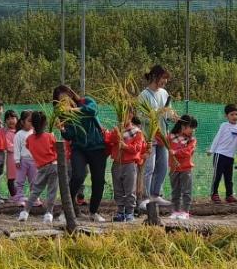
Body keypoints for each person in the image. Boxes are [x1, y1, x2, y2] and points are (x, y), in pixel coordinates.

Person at [54, 84, 107, 223]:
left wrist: (73, 111)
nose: (64, 102)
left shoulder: (85, 102)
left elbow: (92, 110)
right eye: (60, 101)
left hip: (97, 147)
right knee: (77, 176)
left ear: (71, 95)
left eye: (65, 98)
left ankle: (93, 212)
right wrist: (63, 129)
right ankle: (66, 211)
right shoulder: (64, 115)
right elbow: (70, 136)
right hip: (79, 148)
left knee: (99, 180)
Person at [138, 65, 174, 208]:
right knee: (149, 167)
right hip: (149, 136)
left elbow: (169, 112)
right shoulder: (143, 95)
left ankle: (156, 194)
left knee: (163, 166)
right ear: (154, 77)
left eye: (166, 78)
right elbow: (140, 117)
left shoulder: (164, 93)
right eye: (163, 78)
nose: (165, 81)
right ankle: (145, 197)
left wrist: (172, 116)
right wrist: (157, 113)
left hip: (162, 135)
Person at [17, 111, 59, 224]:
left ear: (32, 124)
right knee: (52, 191)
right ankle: (49, 214)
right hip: (53, 166)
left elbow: (28, 146)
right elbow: (56, 149)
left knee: (35, 191)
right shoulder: (50, 136)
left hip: (40, 168)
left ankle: (25, 212)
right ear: (45, 124)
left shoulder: (29, 139)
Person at [105, 114, 145, 222]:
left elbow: (138, 148)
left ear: (131, 116)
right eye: (120, 115)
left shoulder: (137, 132)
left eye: (125, 115)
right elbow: (109, 140)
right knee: (118, 189)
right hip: (117, 163)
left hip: (130, 164)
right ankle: (120, 212)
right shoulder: (117, 129)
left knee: (129, 190)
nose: (122, 118)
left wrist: (125, 146)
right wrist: (118, 132)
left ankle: (129, 213)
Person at [208, 103, 237, 204]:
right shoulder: (224, 125)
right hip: (219, 154)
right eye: (232, 114)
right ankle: (214, 193)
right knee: (217, 175)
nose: (234, 117)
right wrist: (212, 150)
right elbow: (217, 137)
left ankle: (229, 195)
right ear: (226, 116)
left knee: (229, 177)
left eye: (236, 114)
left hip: (230, 156)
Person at [168, 115, 198, 219]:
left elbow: (188, 152)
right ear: (183, 126)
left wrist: (175, 152)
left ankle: (185, 211)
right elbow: (160, 139)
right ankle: (175, 211)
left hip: (186, 169)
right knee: (175, 191)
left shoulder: (192, 140)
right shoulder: (170, 136)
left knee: (186, 191)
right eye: (191, 127)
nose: (192, 131)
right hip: (173, 168)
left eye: (194, 129)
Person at [12, 110, 36, 204]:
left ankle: (34, 198)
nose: (31, 123)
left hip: (34, 161)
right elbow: (16, 148)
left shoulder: (34, 133)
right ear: (22, 122)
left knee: (34, 180)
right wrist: (17, 160)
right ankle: (19, 197)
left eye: (33, 121)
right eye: (29, 120)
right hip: (22, 161)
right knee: (20, 180)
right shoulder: (19, 134)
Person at [4, 109, 18, 198]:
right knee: (11, 177)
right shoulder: (6, 133)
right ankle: (14, 196)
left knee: (21, 178)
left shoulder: (20, 131)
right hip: (11, 158)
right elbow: (8, 146)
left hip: (22, 158)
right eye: (8, 119)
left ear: (17, 119)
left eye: (12, 118)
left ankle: (19, 195)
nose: (10, 121)